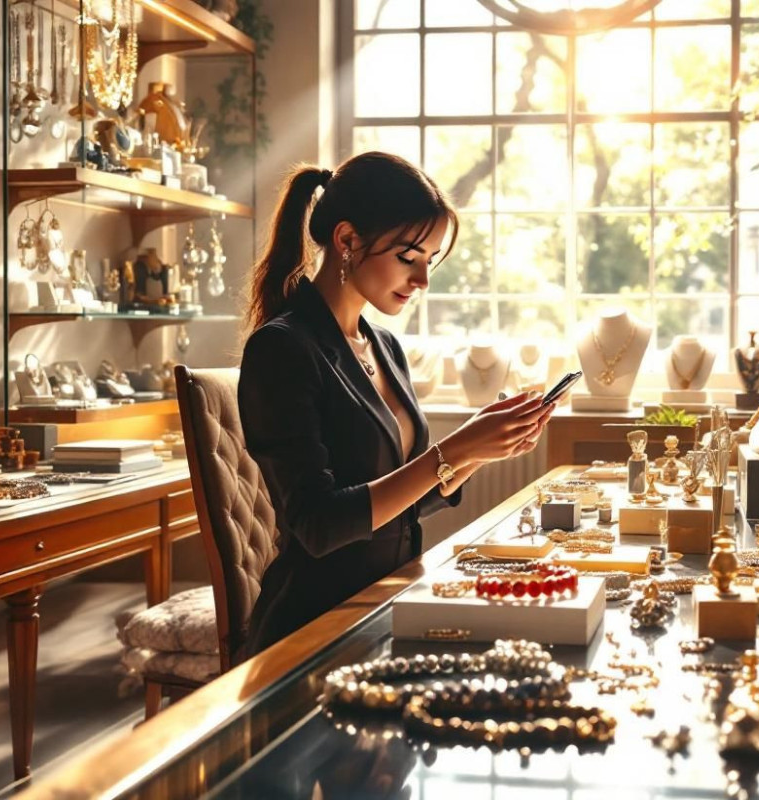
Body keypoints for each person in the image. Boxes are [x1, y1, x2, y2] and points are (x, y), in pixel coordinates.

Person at [237, 152, 554, 660]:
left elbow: (404, 505)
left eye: (430, 260)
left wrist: (479, 448)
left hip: (390, 597)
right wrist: (453, 451)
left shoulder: (383, 345)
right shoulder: (282, 349)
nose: (423, 280)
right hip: (315, 624)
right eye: (409, 257)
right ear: (346, 241)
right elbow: (319, 526)